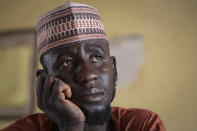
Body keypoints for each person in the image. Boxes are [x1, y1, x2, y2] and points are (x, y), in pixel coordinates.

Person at [2, 1, 166, 131]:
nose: (87, 75)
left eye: (96, 57)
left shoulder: (142, 125)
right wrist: (71, 126)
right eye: (67, 62)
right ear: (43, 82)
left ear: (114, 69)